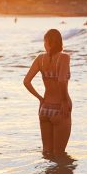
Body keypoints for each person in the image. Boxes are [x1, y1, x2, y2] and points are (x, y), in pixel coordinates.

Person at [23, 29, 72, 157]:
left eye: (45, 41)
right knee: (59, 154)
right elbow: (61, 80)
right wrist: (64, 101)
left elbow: (26, 81)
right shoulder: (64, 57)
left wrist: (40, 98)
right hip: (59, 109)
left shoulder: (40, 59)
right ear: (60, 42)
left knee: (47, 152)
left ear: (48, 43)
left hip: (44, 109)